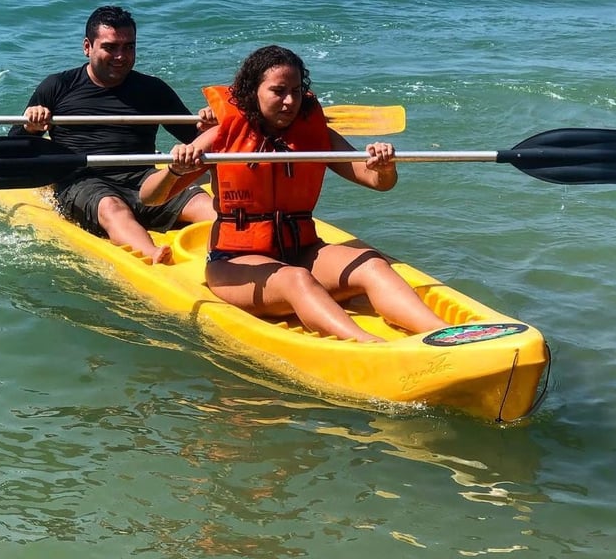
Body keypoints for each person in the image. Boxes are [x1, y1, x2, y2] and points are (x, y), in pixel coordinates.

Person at [139, 45, 448, 342]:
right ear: (253, 92)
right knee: (296, 279)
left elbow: (377, 182)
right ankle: (369, 346)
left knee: (371, 263)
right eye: (278, 91)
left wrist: (384, 167)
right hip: (235, 264)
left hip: (302, 251)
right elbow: (149, 197)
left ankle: (444, 333)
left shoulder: (316, 135)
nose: (289, 101)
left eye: (296, 91)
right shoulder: (222, 136)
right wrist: (175, 170)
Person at [11, 5, 216, 263]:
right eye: (110, 47)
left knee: (200, 201)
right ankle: (154, 255)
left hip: (143, 179)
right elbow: (15, 149)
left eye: (129, 47)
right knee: (112, 206)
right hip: (82, 181)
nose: (121, 56)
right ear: (88, 47)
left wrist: (209, 125)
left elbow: (193, 137)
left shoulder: (153, 89)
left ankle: (246, 241)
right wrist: (31, 126)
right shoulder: (58, 86)